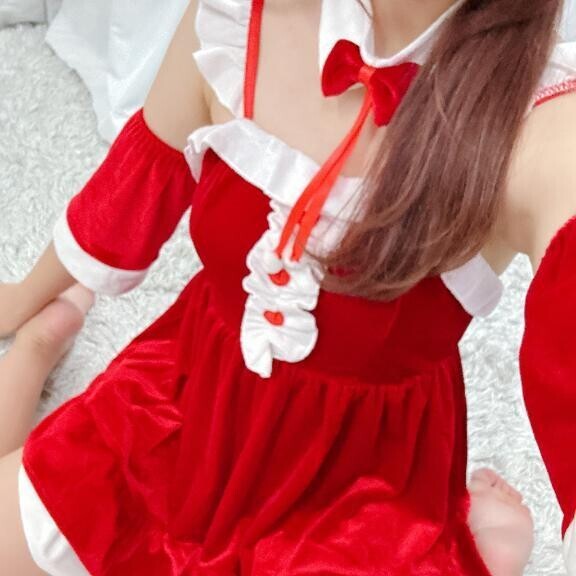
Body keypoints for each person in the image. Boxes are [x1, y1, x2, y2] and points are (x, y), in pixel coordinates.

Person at [0, 0, 575, 574]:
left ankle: (477, 538)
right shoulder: (234, 20)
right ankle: (38, 346)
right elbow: (137, 182)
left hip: (356, 497)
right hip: (180, 413)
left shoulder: (543, 124)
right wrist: (26, 296)